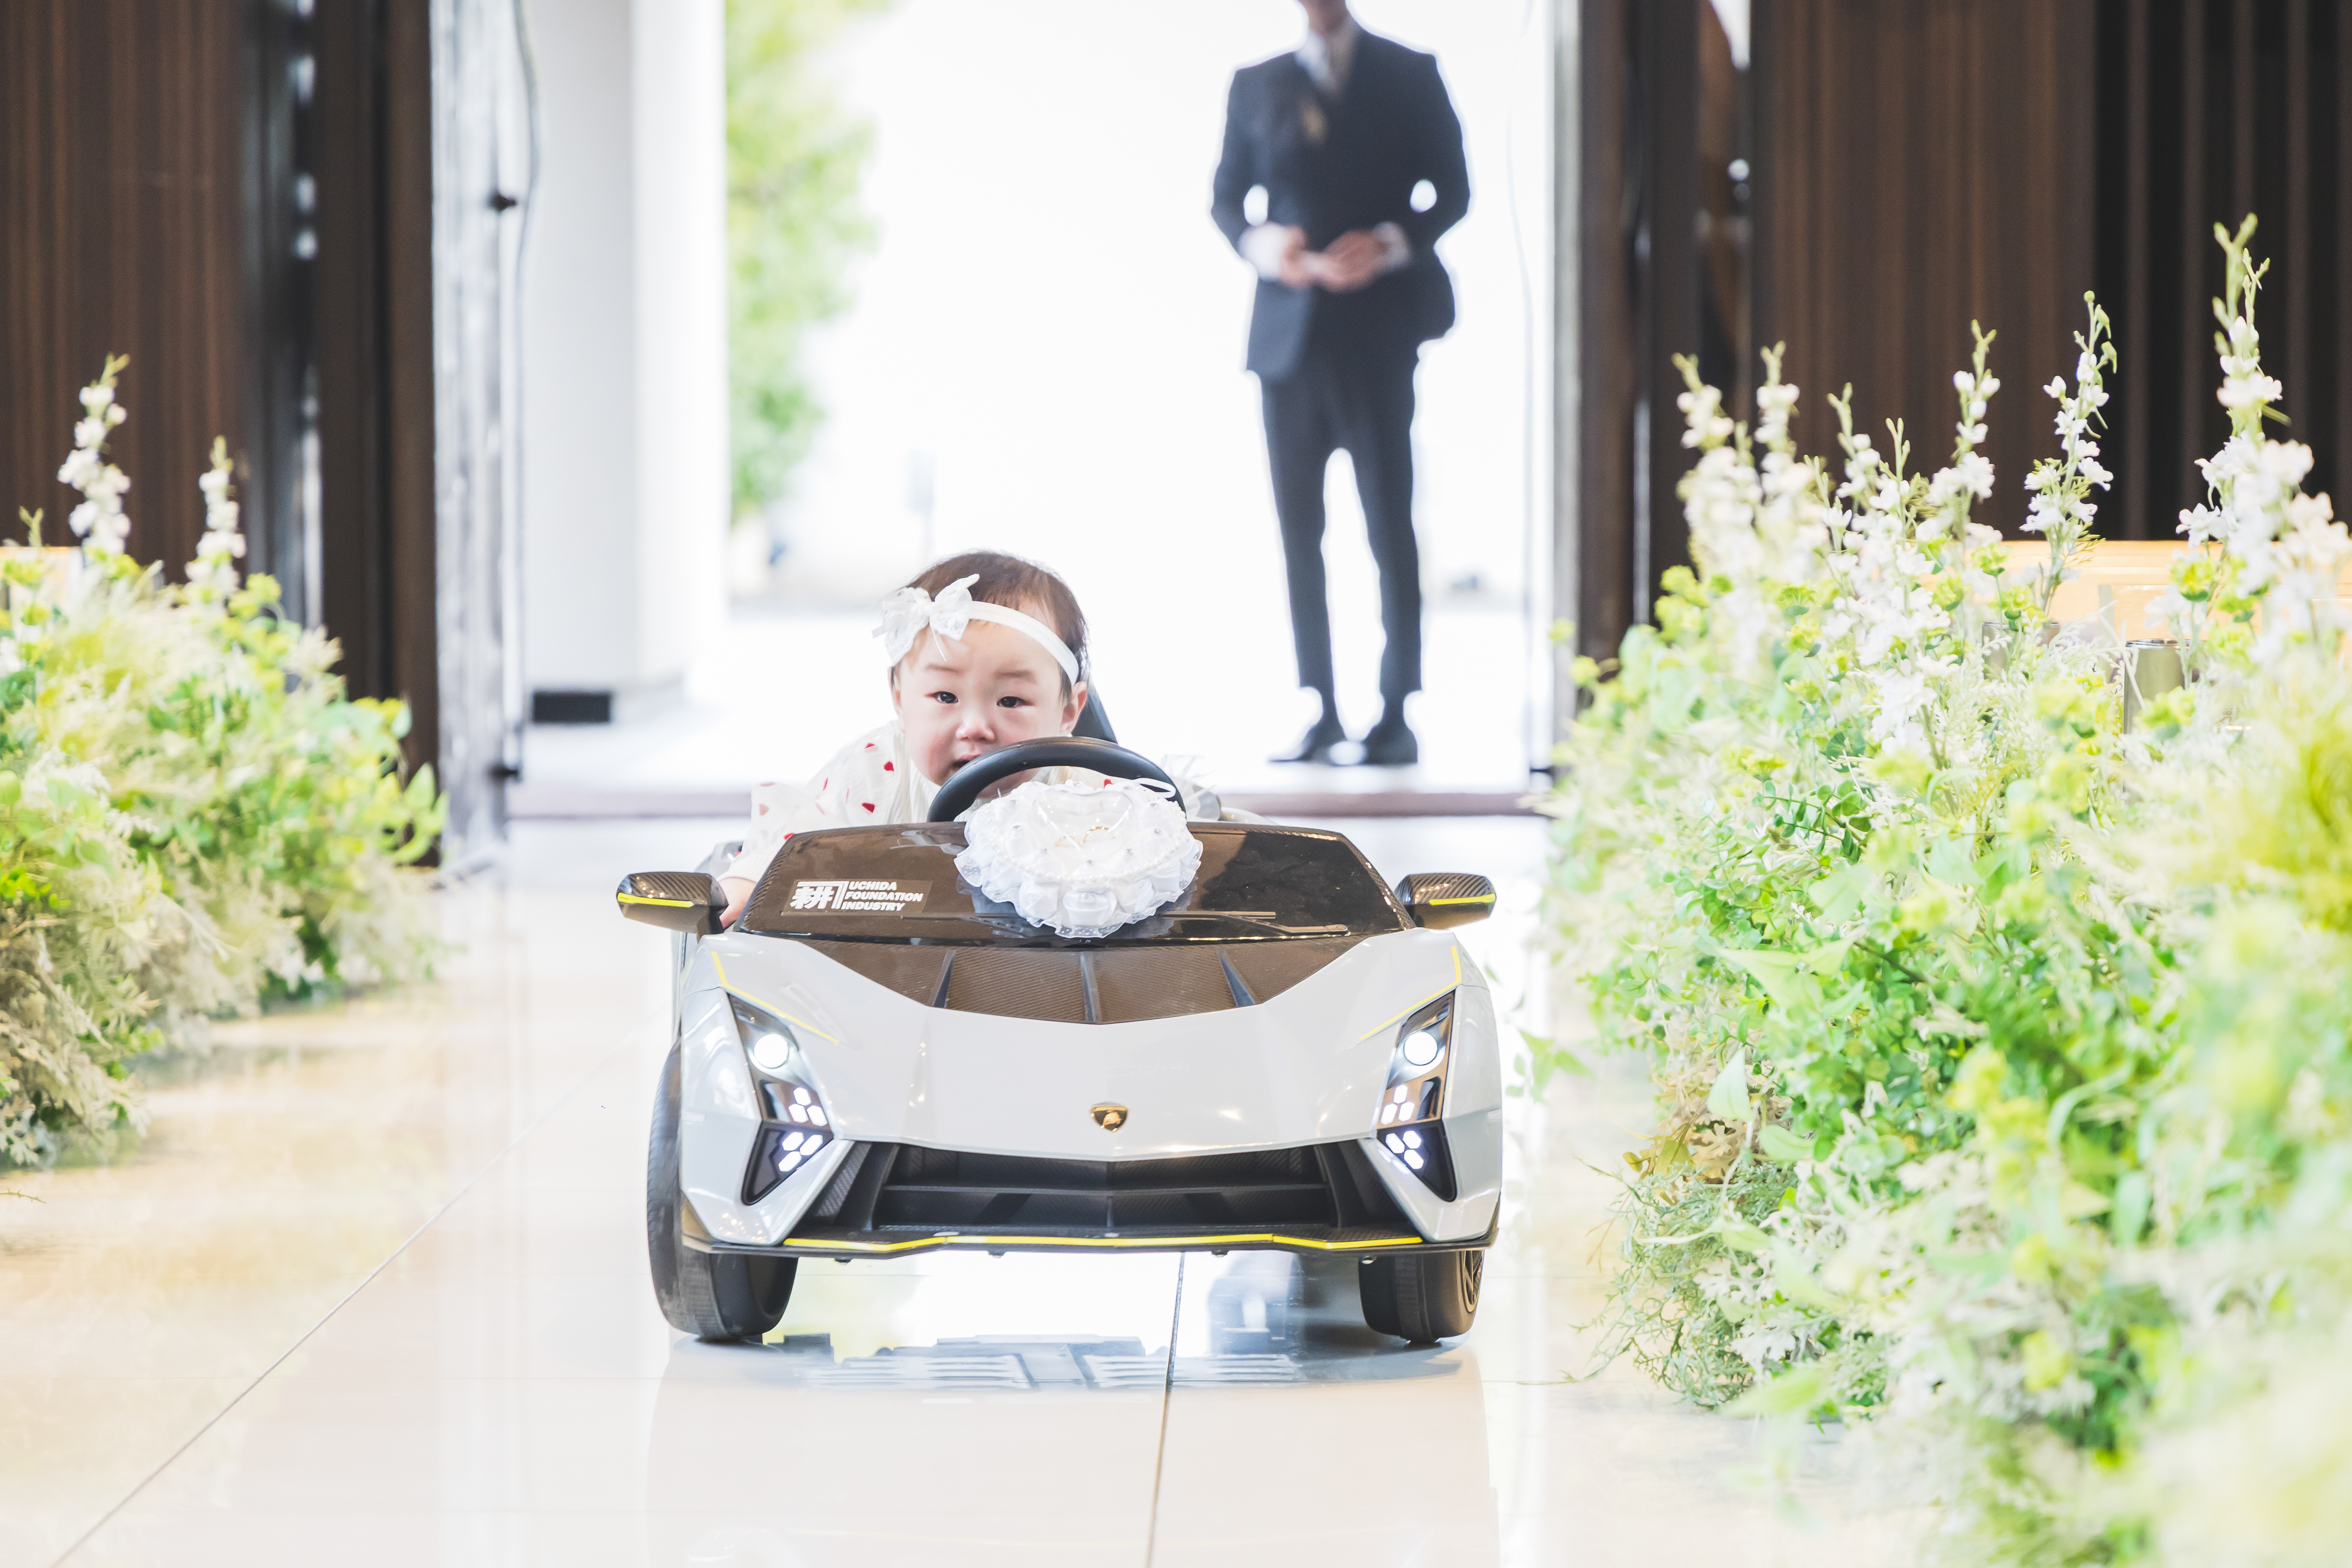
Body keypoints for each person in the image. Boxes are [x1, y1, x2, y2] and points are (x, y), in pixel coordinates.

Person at [1212, 0, 1468, 766]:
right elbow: (1227, 202)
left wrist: (1387, 244)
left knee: (1390, 524)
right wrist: (1271, 248)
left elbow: (1453, 190)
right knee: (1300, 532)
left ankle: (1397, 710)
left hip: (1380, 337)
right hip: (1288, 346)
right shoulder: (1255, 83)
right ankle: (1318, 708)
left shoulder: (1409, 73)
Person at [714, 551, 1213, 925]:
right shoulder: (875, 771)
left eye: (1011, 701)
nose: (975, 726)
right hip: (896, 970)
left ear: (1068, 711)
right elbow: (798, 840)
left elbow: (1171, 839)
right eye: (945, 697)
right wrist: (747, 883)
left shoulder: (1088, 789)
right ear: (899, 698)